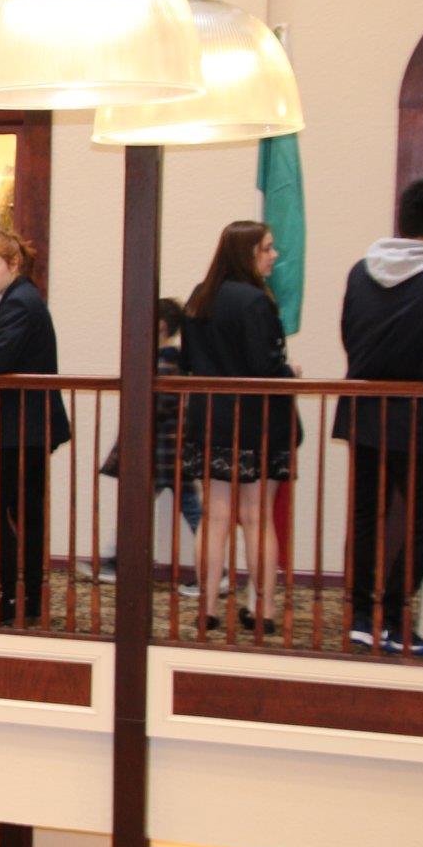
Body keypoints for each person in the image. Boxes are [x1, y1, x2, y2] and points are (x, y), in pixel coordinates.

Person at [334, 177, 423, 655]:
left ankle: (360, 617)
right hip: (420, 421)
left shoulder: (361, 271)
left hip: (362, 410)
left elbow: (351, 338)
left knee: (366, 516)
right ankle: (395, 617)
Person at [180, 220, 300, 634]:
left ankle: (208, 608)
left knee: (214, 516)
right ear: (248, 253)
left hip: (209, 417)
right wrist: (291, 373)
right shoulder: (255, 301)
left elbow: (189, 360)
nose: (274, 255)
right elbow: (264, 367)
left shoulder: (200, 296)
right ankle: (262, 609)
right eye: (267, 248)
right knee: (257, 516)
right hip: (255, 420)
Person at [0, 231, 68, 627]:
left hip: (21, 428)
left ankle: (14, 594)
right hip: (23, 427)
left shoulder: (20, 301)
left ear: (14, 264)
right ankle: (26, 596)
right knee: (24, 513)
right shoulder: (20, 297)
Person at [91, 298, 204, 592]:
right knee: (143, 506)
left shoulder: (163, 364)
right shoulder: (171, 362)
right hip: (166, 452)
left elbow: (154, 409)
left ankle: (212, 568)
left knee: (180, 509)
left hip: (162, 453)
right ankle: (116, 559)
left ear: (161, 326)